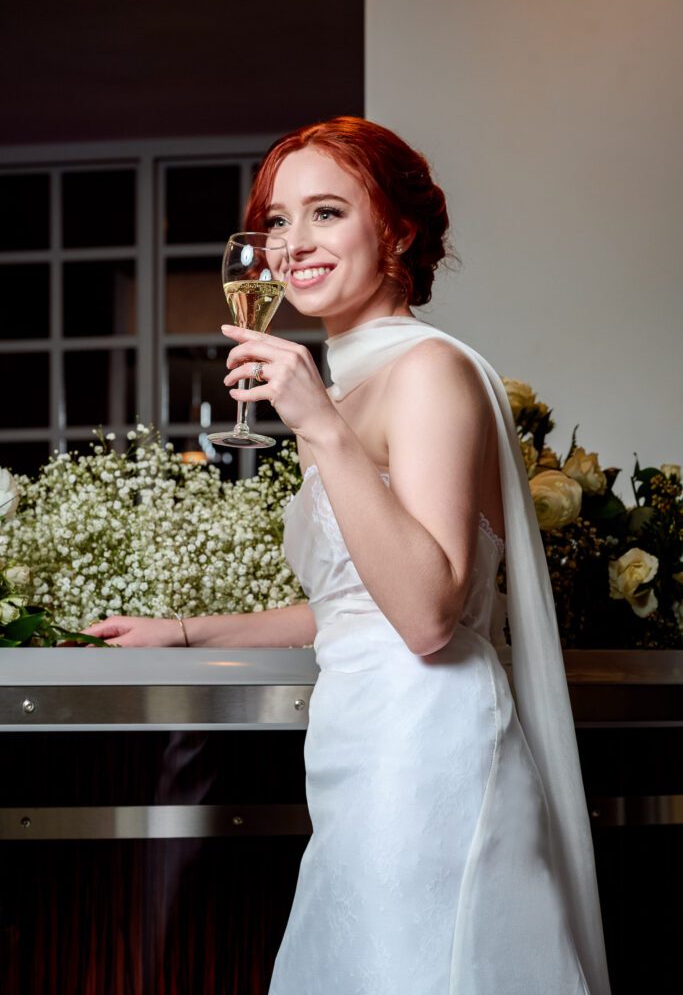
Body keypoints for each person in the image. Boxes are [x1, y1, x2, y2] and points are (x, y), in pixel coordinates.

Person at [85, 117, 611, 995]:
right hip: (360, 745)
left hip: (425, 746)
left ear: (397, 230)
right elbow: (355, 601)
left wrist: (316, 424)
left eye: (326, 213)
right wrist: (183, 631)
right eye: (277, 221)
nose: (293, 246)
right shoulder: (354, 381)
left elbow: (427, 614)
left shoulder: (429, 373)